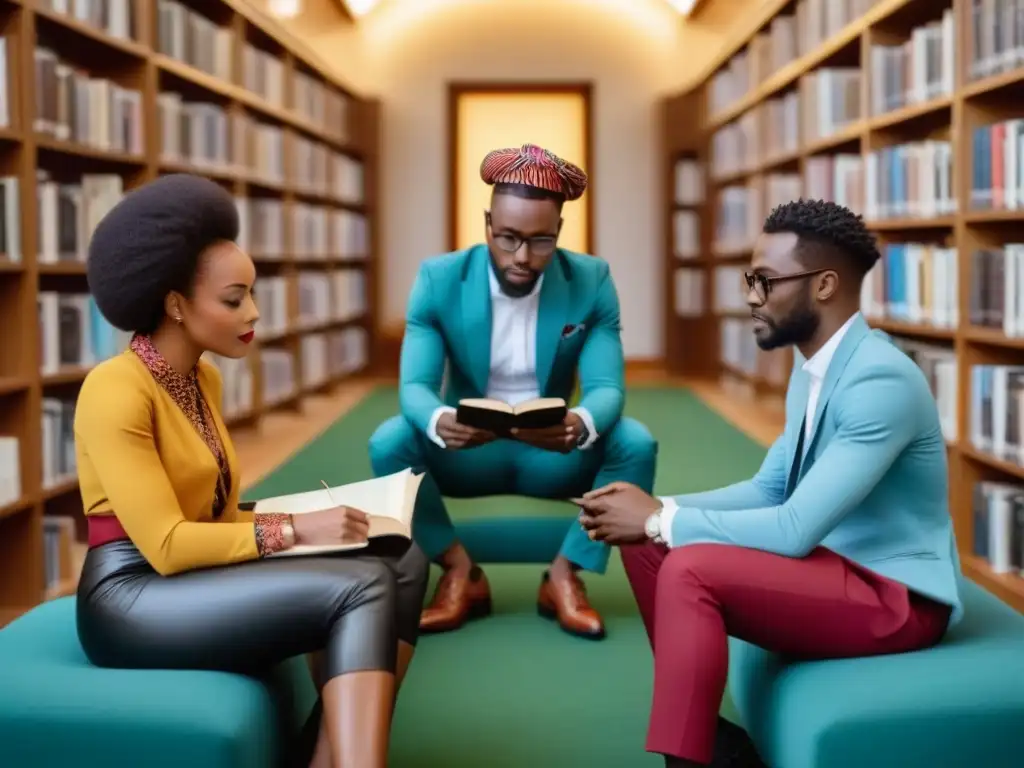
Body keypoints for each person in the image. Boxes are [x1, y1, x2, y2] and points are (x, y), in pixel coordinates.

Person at [575, 199, 963, 767]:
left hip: (895, 598)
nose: (751, 296)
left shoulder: (879, 380)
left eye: (766, 280)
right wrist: (656, 511)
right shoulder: (813, 370)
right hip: (837, 566)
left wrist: (662, 519)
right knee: (649, 548)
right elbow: (770, 488)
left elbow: (794, 528)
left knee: (687, 563)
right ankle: (710, 738)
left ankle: (692, 757)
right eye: (749, 279)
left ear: (825, 285)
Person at [74, 173, 429, 768]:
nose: (255, 313)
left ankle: (326, 754)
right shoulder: (114, 389)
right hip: (132, 595)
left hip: (188, 572)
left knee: (402, 556)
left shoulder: (201, 376)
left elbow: (212, 511)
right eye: (234, 299)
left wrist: (322, 515)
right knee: (361, 583)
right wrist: (296, 530)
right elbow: (164, 544)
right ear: (176, 306)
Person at [369, 144, 657, 639]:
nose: (522, 257)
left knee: (635, 442)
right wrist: (441, 422)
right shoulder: (439, 279)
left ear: (560, 231)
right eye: (507, 239)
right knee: (389, 440)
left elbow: (608, 388)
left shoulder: (591, 280)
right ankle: (459, 571)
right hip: (468, 451)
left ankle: (566, 574)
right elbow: (415, 387)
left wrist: (581, 423)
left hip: (554, 453)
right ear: (486, 224)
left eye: (541, 241)